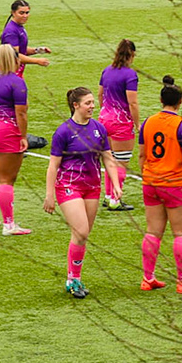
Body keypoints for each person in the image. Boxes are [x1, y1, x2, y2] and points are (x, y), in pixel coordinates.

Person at [137, 75, 182, 293]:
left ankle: (148, 278)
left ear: (160, 100)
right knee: (181, 233)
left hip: (151, 182)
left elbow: (141, 155)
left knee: (152, 232)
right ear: (180, 102)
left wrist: (147, 176)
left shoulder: (148, 122)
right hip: (176, 184)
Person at [45, 85, 111, 298]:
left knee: (82, 236)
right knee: (81, 231)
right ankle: (72, 279)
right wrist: (49, 195)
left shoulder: (99, 128)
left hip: (92, 187)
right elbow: (53, 166)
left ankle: (75, 278)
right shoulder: (63, 131)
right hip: (68, 186)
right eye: (88, 103)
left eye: (93, 102)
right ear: (76, 105)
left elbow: (107, 157)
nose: (93, 106)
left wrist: (116, 185)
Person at [0, 44, 32, 234]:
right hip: (6, 130)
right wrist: (23, 136)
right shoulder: (17, 82)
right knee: (7, 180)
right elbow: (21, 113)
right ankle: (9, 224)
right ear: (16, 60)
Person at [98, 39, 140, 209]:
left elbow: (100, 95)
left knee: (109, 160)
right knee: (121, 162)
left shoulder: (107, 71)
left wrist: (106, 111)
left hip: (104, 120)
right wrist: (137, 124)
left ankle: (108, 196)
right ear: (132, 55)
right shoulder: (130, 75)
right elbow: (133, 103)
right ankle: (115, 199)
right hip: (121, 122)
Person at [0, 0, 53, 71]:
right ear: (13, 13)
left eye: (27, 13)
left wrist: (37, 50)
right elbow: (13, 56)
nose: (25, 16)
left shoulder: (18, 27)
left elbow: (21, 49)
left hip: (16, 71)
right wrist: (37, 61)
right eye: (21, 13)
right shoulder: (11, 31)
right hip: (10, 73)